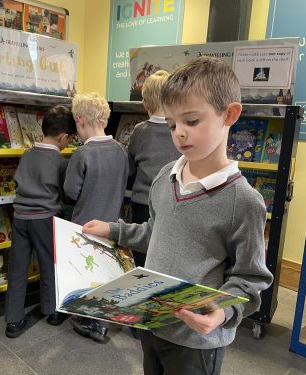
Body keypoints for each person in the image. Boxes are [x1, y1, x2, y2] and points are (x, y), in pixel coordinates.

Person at [82, 57, 274, 374]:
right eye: (172, 124)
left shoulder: (244, 202)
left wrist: (221, 314)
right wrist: (113, 230)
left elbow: (250, 279)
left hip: (196, 342)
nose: (179, 134)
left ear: (229, 114)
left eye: (192, 121)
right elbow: (155, 231)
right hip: (153, 323)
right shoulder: (163, 179)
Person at [5, 106, 76, 339]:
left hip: (20, 218)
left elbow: (17, 183)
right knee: (49, 265)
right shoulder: (60, 162)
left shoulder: (26, 155)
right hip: (46, 219)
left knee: (17, 268)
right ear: (64, 137)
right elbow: (66, 195)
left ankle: (13, 321)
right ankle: (52, 311)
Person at [64, 92, 129, 342]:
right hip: (113, 223)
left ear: (80, 120)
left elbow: (71, 192)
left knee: (85, 273)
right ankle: (103, 323)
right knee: (104, 273)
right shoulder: (122, 150)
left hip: (85, 223)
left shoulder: (82, 154)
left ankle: (86, 320)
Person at [128, 69, 180, 267]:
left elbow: (130, 165)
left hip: (142, 203)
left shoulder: (140, 131)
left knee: (141, 254)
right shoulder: (178, 129)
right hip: (172, 201)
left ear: (145, 103)